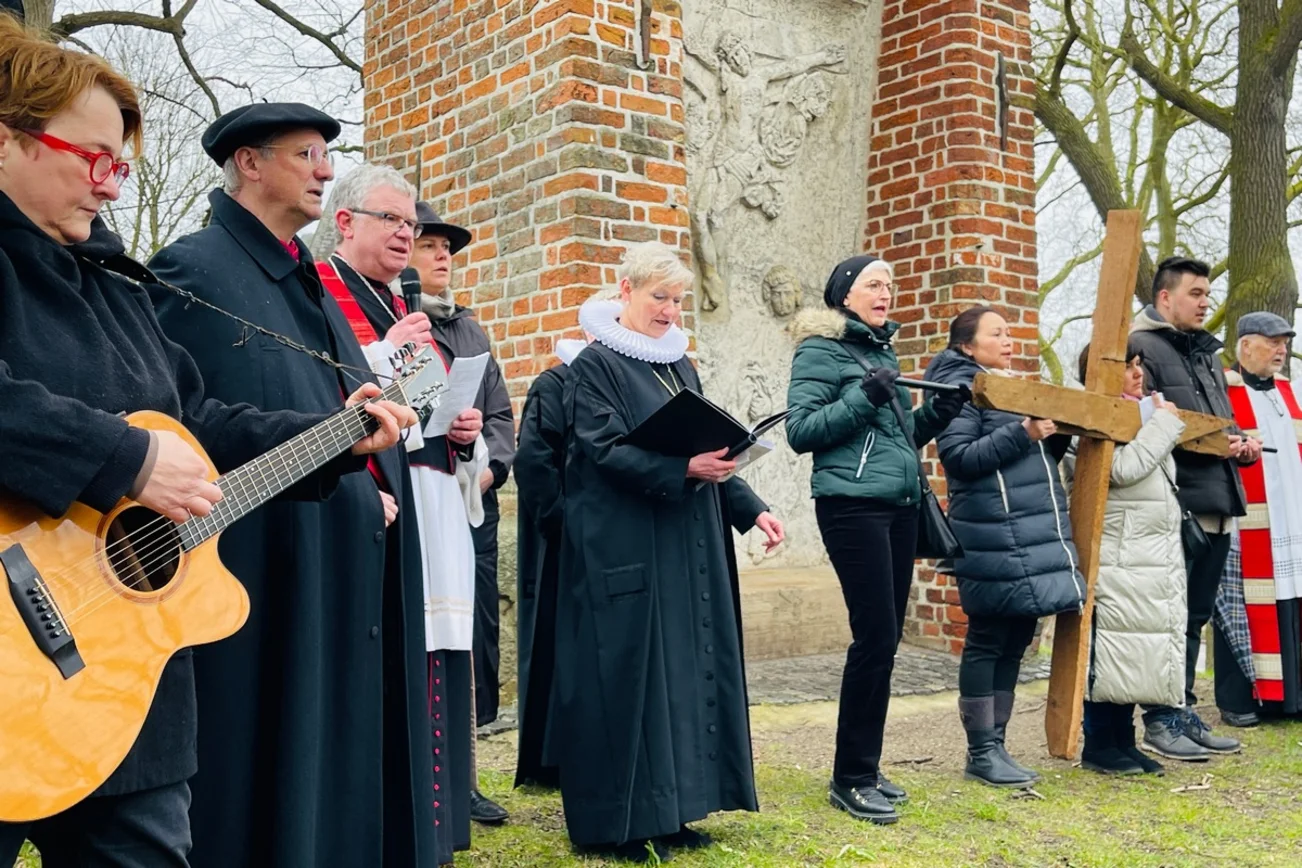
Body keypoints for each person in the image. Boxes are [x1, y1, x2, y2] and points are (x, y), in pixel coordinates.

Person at [0, 22, 413, 866]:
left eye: (122, 166)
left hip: (128, 691)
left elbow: (200, 426)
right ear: (7, 140)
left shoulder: (114, 284)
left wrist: (336, 436)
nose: (112, 188)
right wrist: (123, 458)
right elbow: (131, 448)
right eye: (94, 161)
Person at [146, 105, 437, 868]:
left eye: (326, 155)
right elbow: (186, 420)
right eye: (306, 153)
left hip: (334, 546)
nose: (322, 169)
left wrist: (361, 476)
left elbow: (337, 407)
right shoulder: (193, 268)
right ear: (248, 162)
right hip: (260, 561)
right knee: (268, 761)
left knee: (332, 757)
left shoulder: (305, 276)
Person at [553, 242, 784, 862]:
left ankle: (677, 809)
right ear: (624, 292)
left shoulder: (679, 367)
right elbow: (601, 451)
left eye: (678, 300)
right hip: (630, 545)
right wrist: (681, 466)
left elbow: (714, 449)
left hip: (686, 544)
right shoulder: (594, 366)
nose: (670, 311)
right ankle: (621, 825)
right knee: (633, 683)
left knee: (682, 676)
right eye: (660, 297)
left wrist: (750, 505)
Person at [310, 165, 486, 861]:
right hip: (366, 494)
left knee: (435, 657)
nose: (408, 236)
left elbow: (425, 412)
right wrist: (389, 355)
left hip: (430, 494)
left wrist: (462, 427)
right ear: (346, 222)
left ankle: (435, 818)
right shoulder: (320, 292)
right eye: (394, 221)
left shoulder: (395, 304)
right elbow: (329, 395)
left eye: (412, 224)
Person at [785, 255, 967, 824]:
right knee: (877, 636)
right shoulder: (820, 349)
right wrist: (864, 396)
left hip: (897, 507)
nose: (886, 291)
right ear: (844, 294)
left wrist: (938, 413)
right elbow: (802, 430)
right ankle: (851, 777)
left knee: (883, 642)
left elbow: (900, 438)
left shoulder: (880, 351)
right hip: (851, 508)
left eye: (890, 284)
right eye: (873, 284)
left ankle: (866, 765)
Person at [924, 306, 1085, 788]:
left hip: (1025, 530)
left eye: (1010, 332)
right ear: (966, 346)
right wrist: (1023, 432)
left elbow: (1022, 459)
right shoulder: (964, 388)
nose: (1009, 340)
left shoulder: (1008, 386)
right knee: (989, 638)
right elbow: (960, 458)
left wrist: (1049, 439)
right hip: (992, 533)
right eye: (997, 333)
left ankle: (998, 743)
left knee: (1016, 639)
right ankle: (981, 751)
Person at [1126, 256, 1260, 760]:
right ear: (1165, 298)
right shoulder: (1141, 347)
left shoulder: (1205, 354)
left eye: (1207, 294)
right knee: (1168, 618)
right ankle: (1159, 720)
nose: (1207, 303)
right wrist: (1218, 445)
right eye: (1197, 294)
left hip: (1218, 504)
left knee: (1195, 617)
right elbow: (1150, 427)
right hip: (1177, 509)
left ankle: (1182, 710)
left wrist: (1238, 447)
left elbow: (1215, 426)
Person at [407, 200, 515, 825]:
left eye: (448, 246)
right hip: (420, 491)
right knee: (425, 635)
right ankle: (428, 771)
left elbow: (498, 413)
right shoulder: (398, 324)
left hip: (472, 494)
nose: (443, 254)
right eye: (430, 244)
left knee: (470, 637)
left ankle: (466, 778)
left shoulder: (470, 330)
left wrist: (493, 463)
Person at [1064, 343, 1186, 776]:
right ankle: (1099, 744)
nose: (1138, 374)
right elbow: (1118, 470)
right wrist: (1165, 424)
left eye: (1139, 366)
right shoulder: (1086, 416)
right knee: (1110, 649)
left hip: (1145, 551)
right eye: (1128, 366)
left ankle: (1124, 742)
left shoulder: (1140, 417)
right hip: (1115, 550)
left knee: (1136, 650)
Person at [514, 328, 596, 791]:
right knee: (557, 641)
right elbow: (533, 461)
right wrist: (565, 522)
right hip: (563, 536)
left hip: (605, 534)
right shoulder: (556, 384)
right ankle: (551, 758)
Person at [1214, 311, 1302, 725]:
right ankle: (1240, 699)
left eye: (1285, 342)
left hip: (1291, 517)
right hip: (1247, 521)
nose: (1281, 349)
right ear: (1246, 345)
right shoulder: (1222, 390)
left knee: (1291, 603)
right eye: (1273, 341)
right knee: (1239, 605)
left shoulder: (1289, 391)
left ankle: (1289, 697)